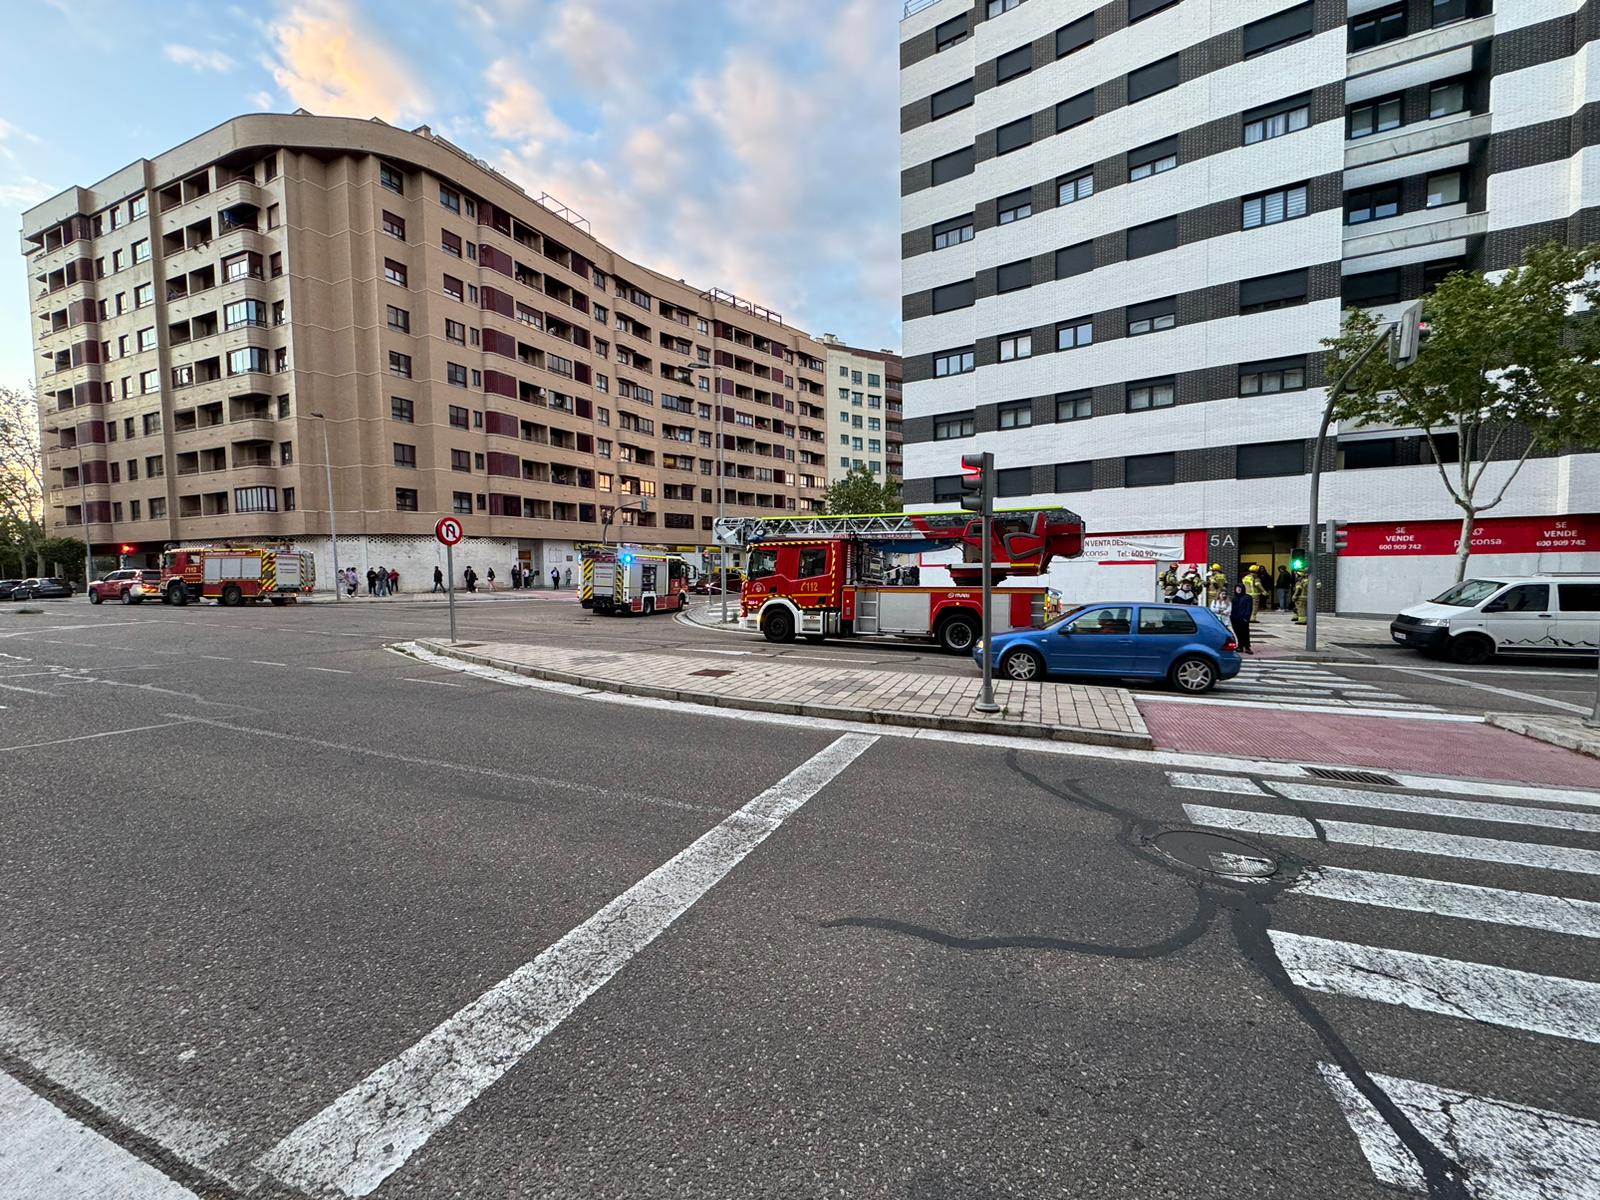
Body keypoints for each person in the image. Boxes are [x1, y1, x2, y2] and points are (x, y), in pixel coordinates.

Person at [1231, 582, 1254, 654]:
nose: (1238, 589)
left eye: (1240, 588)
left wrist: (1246, 618)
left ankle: (1247, 647)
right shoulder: (1233, 598)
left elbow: (1249, 608)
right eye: (1237, 588)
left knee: (1245, 632)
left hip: (1243, 618)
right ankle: (1240, 646)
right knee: (1237, 632)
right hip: (1234, 618)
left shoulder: (1247, 597)